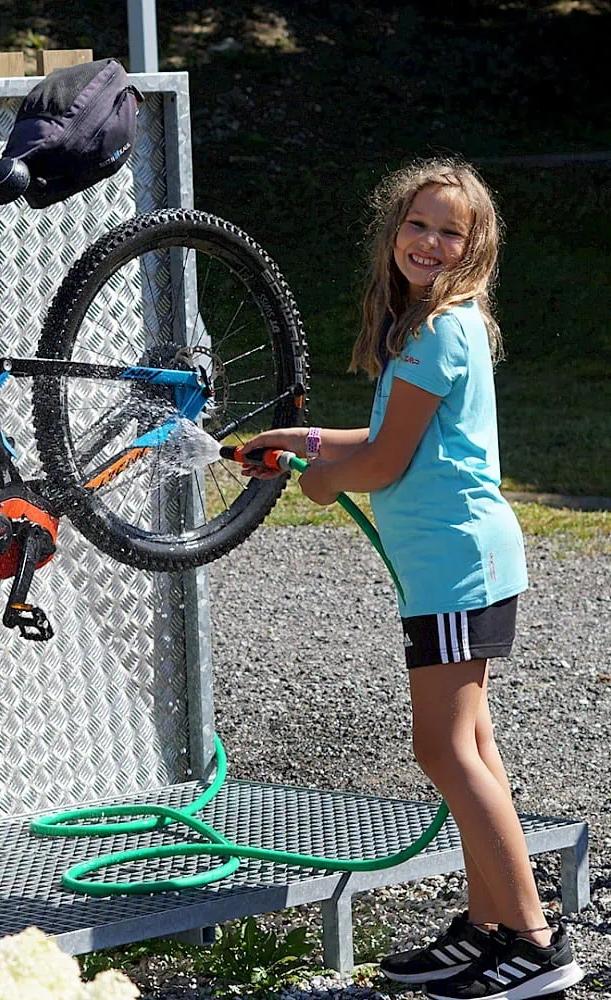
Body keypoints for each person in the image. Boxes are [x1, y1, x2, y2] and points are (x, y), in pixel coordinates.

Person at [242, 159, 584, 1000]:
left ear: (475, 247)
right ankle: (487, 927)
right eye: (418, 225)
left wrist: (320, 479)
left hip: (456, 563)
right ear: (394, 231)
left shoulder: (438, 331)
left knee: (444, 750)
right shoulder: (436, 327)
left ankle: (535, 942)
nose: (429, 242)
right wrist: (304, 440)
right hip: (455, 562)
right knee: (472, 747)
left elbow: (387, 460)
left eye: (449, 232)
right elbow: (393, 434)